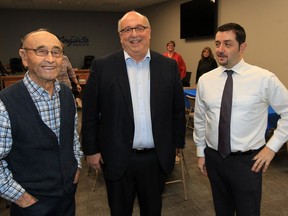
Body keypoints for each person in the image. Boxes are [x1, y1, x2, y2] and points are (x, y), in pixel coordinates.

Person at [81, 11, 186, 216]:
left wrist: (176, 145)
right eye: (127, 30)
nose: (134, 34)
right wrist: (91, 150)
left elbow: (177, 111)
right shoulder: (102, 66)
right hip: (117, 157)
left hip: (155, 158)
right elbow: (91, 113)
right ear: (120, 36)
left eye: (140, 28)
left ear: (149, 32)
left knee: (153, 210)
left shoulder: (168, 66)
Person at [193, 22, 288, 216]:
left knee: (248, 211)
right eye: (217, 43)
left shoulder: (264, 78)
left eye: (227, 44)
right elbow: (201, 119)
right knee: (222, 210)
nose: (220, 49)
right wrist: (201, 152)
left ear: (242, 47)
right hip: (214, 158)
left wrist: (271, 148)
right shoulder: (206, 80)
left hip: (247, 162)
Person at [0, 29, 83, 216]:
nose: (51, 59)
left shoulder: (67, 95)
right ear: (24, 56)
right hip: (31, 205)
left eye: (56, 52)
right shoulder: (5, 103)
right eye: (41, 51)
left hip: (68, 197)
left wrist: (76, 167)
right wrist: (21, 197)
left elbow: (73, 139)